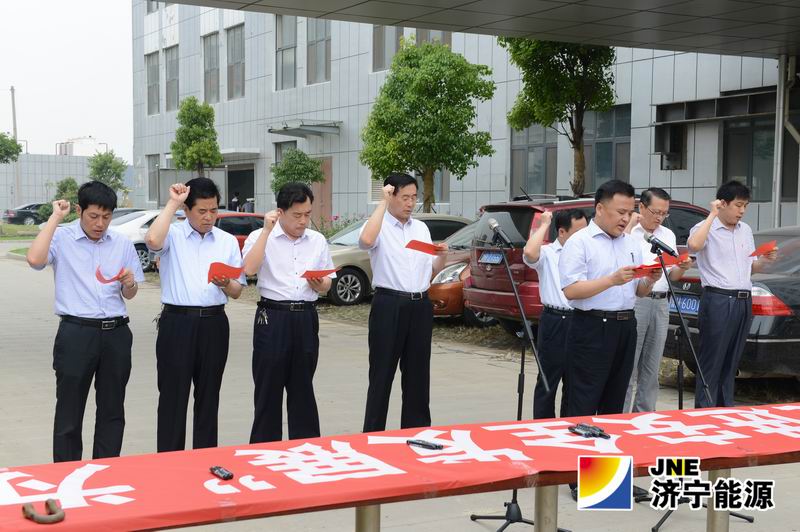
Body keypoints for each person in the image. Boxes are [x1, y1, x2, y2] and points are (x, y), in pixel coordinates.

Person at [26, 181, 144, 462]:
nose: (100, 224)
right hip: (76, 333)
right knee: (69, 410)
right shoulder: (62, 237)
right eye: (93, 216)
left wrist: (129, 283)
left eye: (106, 217)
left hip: (116, 333)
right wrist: (55, 217)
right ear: (79, 211)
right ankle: (66, 472)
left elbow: (130, 293)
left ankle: (105, 469)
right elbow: (34, 259)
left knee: (112, 409)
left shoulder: (121, 244)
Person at [560, 180, 662, 501]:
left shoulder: (631, 242)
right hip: (591, 327)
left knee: (615, 404)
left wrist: (650, 279)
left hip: (625, 326)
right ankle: (578, 478)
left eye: (629, 212)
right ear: (600, 208)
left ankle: (609, 478)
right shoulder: (580, 242)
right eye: (620, 212)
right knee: (583, 402)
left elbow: (637, 291)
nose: (625, 218)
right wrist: (611, 279)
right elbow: (572, 291)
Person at [145, 177, 245, 452]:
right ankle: (169, 460)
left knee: (209, 396)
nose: (208, 217)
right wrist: (172, 202)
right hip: (177, 323)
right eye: (201, 211)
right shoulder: (173, 235)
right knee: (173, 397)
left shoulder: (226, 241)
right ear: (186, 210)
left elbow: (237, 291)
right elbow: (152, 240)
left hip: (214, 323)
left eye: (214, 210)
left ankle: (205, 458)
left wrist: (226, 283)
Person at [242, 182, 336, 442]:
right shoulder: (261, 237)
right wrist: (266, 231)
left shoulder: (317, 241)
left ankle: (306, 448)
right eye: (297, 215)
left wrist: (321, 284)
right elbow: (249, 269)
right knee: (268, 390)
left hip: (306, 317)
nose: (303, 221)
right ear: (280, 212)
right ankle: (264, 449)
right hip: (273, 317)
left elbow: (328, 282)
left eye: (307, 214)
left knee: (303, 388)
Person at [359, 173, 448, 432]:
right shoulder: (378, 225)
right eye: (405, 197)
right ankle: (372, 435)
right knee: (381, 374)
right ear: (391, 195)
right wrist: (382, 203)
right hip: (389, 305)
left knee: (418, 376)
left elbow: (430, 271)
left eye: (414, 197)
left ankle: (417, 432)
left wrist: (441, 256)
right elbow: (366, 242)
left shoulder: (420, 229)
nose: (410, 203)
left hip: (420, 305)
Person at [687, 180, 777, 408]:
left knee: (732, 361)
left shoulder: (745, 230)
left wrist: (765, 261)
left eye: (745, 206)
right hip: (718, 299)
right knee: (712, 360)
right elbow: (694, 246)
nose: (742, 211)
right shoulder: (705, 227)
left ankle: (725, 409)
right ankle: (705, 412)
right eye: (738, 205)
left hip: (743, 300)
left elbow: (751, 268)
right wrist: (712, 214)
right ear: (723, 204)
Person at [623, 188, 692, 413]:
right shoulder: (629, 233)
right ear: (641, 207)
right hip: (636, 301)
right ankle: (620, 416)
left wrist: (682, 267)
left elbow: (672, 276)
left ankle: (644, 414)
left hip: (662, 301)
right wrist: (630, 226)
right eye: (656, 212)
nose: (660, 217)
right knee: (629, 365)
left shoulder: (667, 235)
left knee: (652, 365)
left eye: (664, 213)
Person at [523, 208, 587, 419]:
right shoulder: (549, 253)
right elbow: (529, 253)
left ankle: (571, 425)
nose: (584, 236)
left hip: (581, 318)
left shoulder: (586, 252)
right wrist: (543, 224)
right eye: (578, 232)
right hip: (555, 320)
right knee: (547, 379)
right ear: (561, 232)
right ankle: (543, 426)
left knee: (575, 382)